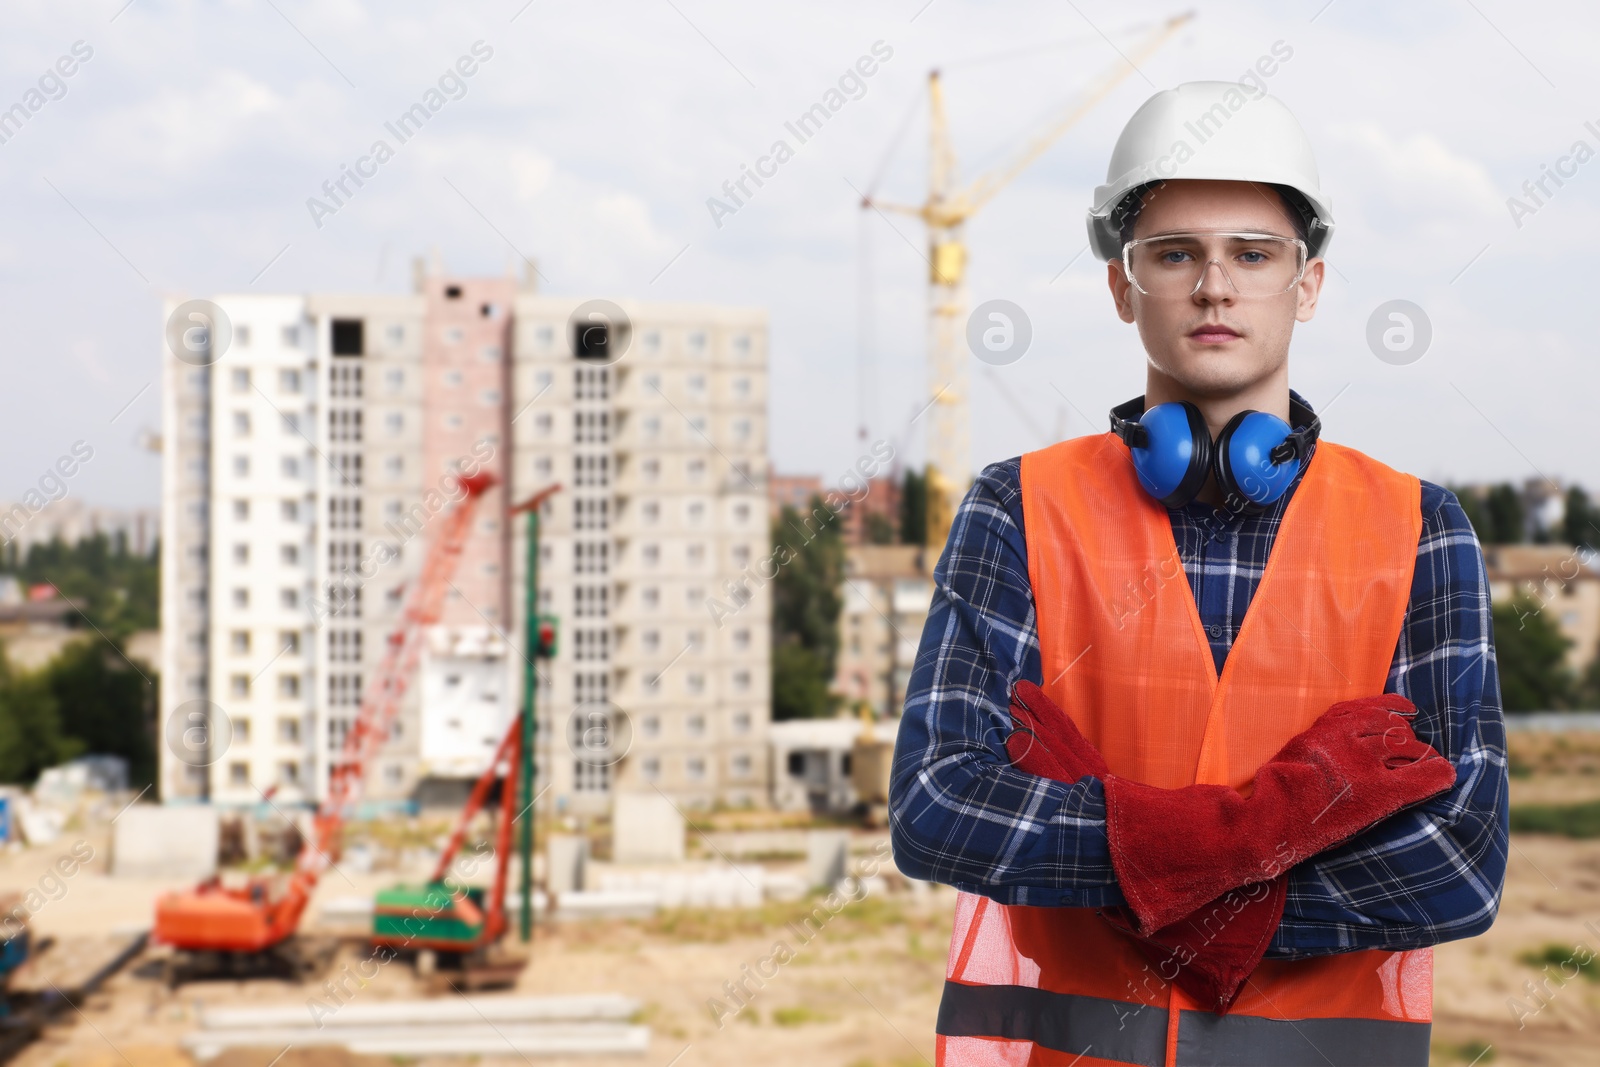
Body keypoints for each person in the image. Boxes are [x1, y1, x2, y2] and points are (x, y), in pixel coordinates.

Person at [887, 81, 1509, 1067]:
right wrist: (1272, 836)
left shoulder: (1418, 528)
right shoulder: (1016, 508)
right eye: (1173, 253)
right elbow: (938, 807)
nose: (1213, 285)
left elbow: (1457, 861)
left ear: (1305, 285)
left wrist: (1128, 854)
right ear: (1121, 286)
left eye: (1252, 254)